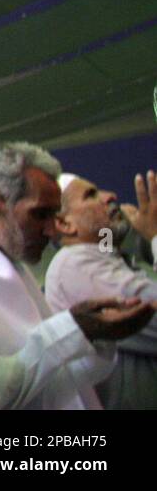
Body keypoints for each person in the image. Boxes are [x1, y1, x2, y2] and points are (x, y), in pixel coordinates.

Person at [0, 144, 153, 409]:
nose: (52, 230)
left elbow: (54, 385)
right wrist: (75, 328)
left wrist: (97, 334)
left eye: (54, 215)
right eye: (40, 214)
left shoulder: (15, 264)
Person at [45, 170, 157, 408]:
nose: (110, 196)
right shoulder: (75, 265)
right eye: (91, 195)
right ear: (65, 224)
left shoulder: (108, 258)